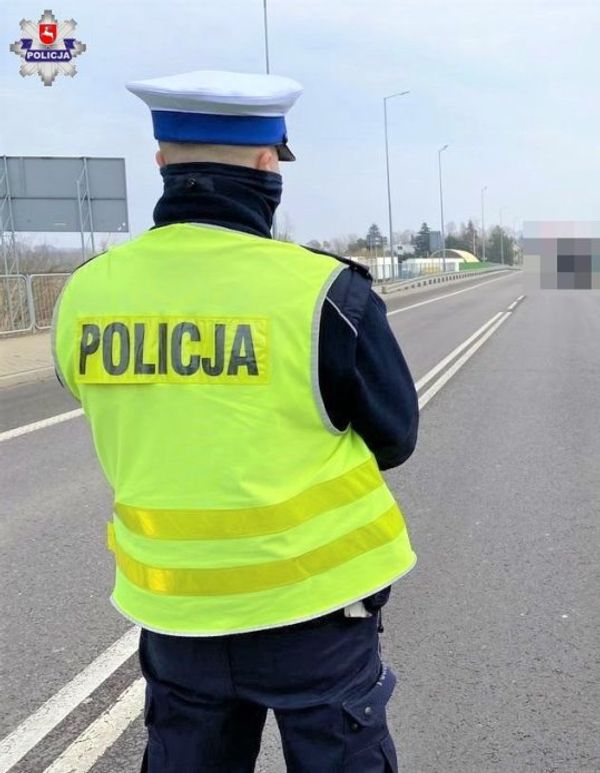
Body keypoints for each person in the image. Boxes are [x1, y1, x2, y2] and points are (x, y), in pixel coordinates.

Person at [51, 71, 418, 771]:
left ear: (162, 163)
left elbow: (104, 398)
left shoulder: (86, 293)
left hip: (177, 614)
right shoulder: (324, 293)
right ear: (265, 164)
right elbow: (395, 437)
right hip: (317, 614)